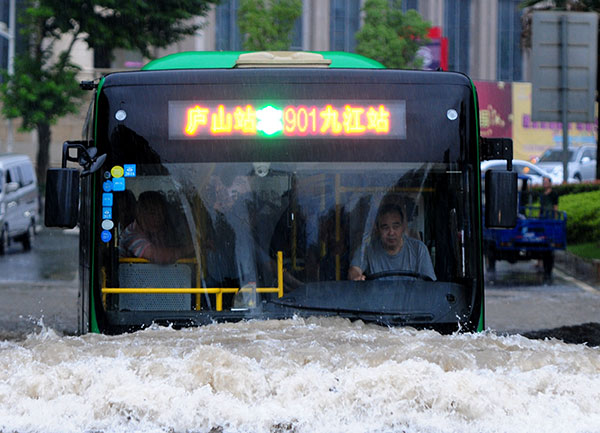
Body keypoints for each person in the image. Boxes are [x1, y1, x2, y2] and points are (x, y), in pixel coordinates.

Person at [348, 202, 436, 281]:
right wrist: (356, 277)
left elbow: (429, 285)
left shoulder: (419, 249)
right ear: (377, 229)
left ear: (403, 227)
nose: (391, 232)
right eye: (385, 227)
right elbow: (355, 270)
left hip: (411, 298)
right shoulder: (367, 249)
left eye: (396, 226)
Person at [119, 191, 193, 264]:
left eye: (161, 213)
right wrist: (189, 249)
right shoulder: (131, 234)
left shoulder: (161, 232)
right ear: (139, 213)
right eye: (152, 213)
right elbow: (159, 256)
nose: (158, 218)